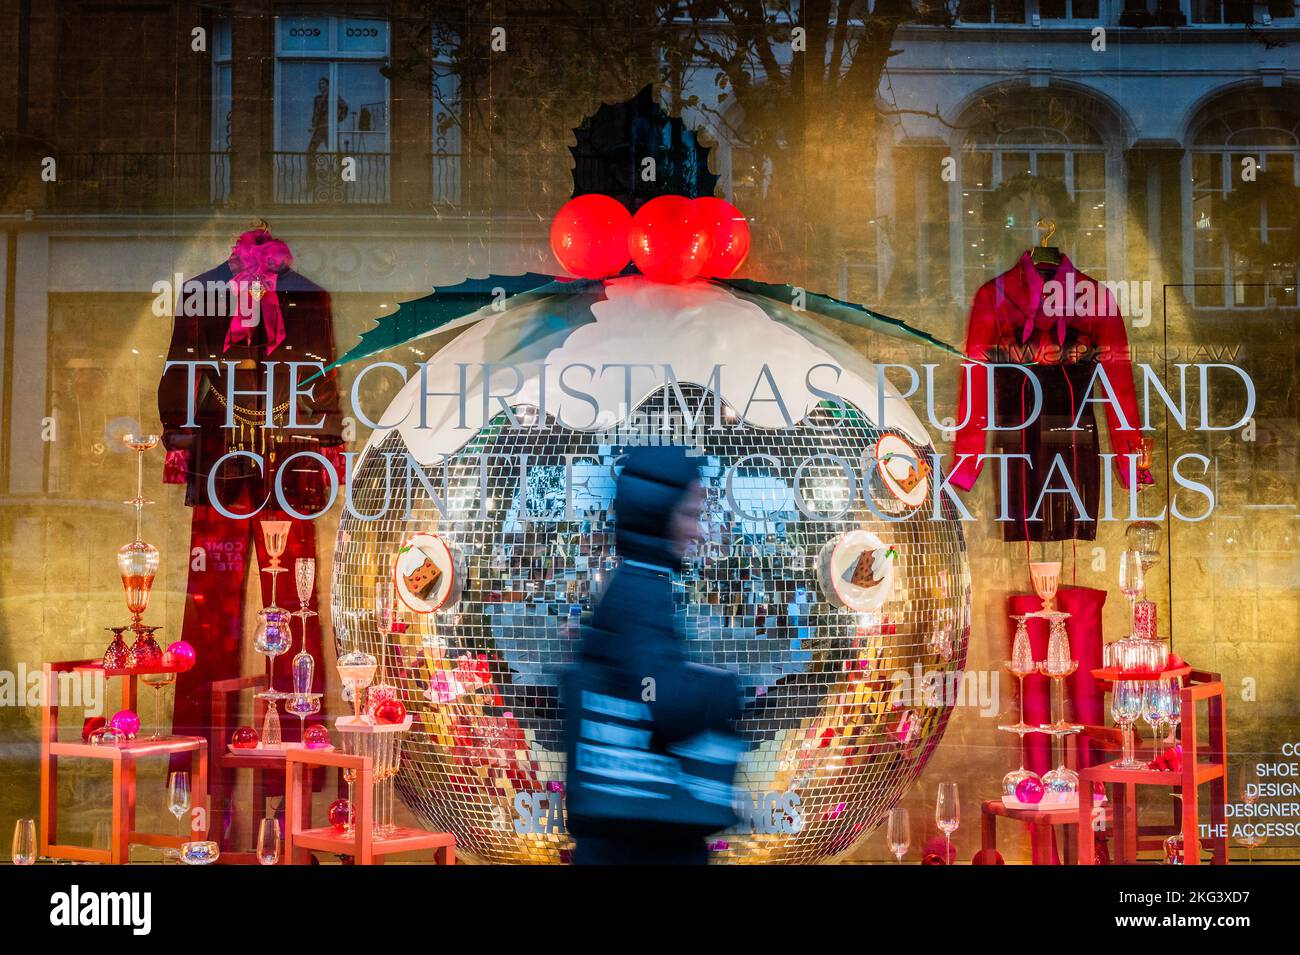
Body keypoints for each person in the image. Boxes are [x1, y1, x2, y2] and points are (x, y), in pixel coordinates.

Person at [564, 445, 743, 865]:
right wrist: (726, 689)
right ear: (657, 513)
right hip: (641, 846)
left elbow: (643, 682)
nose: (699, 532)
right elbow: (654, 695)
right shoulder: (641, 591)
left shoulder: (639, 584)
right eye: (691, 515)